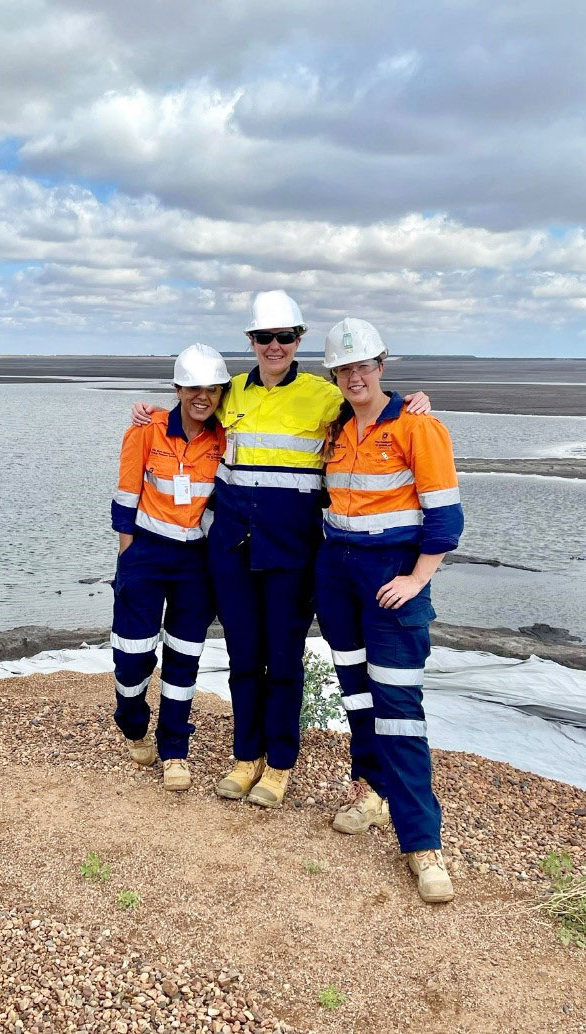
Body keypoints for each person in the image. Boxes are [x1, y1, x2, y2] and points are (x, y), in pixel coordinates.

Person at [131, 292, 432, 808]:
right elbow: (195, 409)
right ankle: (245, 758)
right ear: (251, 341)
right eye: (265, 338)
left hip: (292, 554)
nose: (275, 346)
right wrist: (153, 412)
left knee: (285, 661)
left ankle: (279, 766)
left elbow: (369, 401)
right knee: (245, 659)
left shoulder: (322, 395)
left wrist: (410, 402)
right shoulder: (232, 393)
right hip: (232, 551)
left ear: (299, 340)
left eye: (285, 337)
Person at [315, 317, 464, 904]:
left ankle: (423, 846)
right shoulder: (336, 429)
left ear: (382, 366)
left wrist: (417, 577)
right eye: (344, 369)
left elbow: (445, 518)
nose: (355, 376)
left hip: (389, 578)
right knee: (355, 690)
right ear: (335, 375)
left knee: (398, 705)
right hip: (338, 573)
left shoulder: (418, 427)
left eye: (364, 366)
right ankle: (369, 790)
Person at [111, 343, 229, 791]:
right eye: (194, 387)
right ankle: (132, 717)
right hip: (145, 553)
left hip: (196, 561)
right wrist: (128, 555)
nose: (203, 396)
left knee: (185, 655)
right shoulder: (147, 430)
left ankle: (174, 748)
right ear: (178, 388)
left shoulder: (223, 436)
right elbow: (124, 497)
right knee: (133, 652)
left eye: (212, 389)